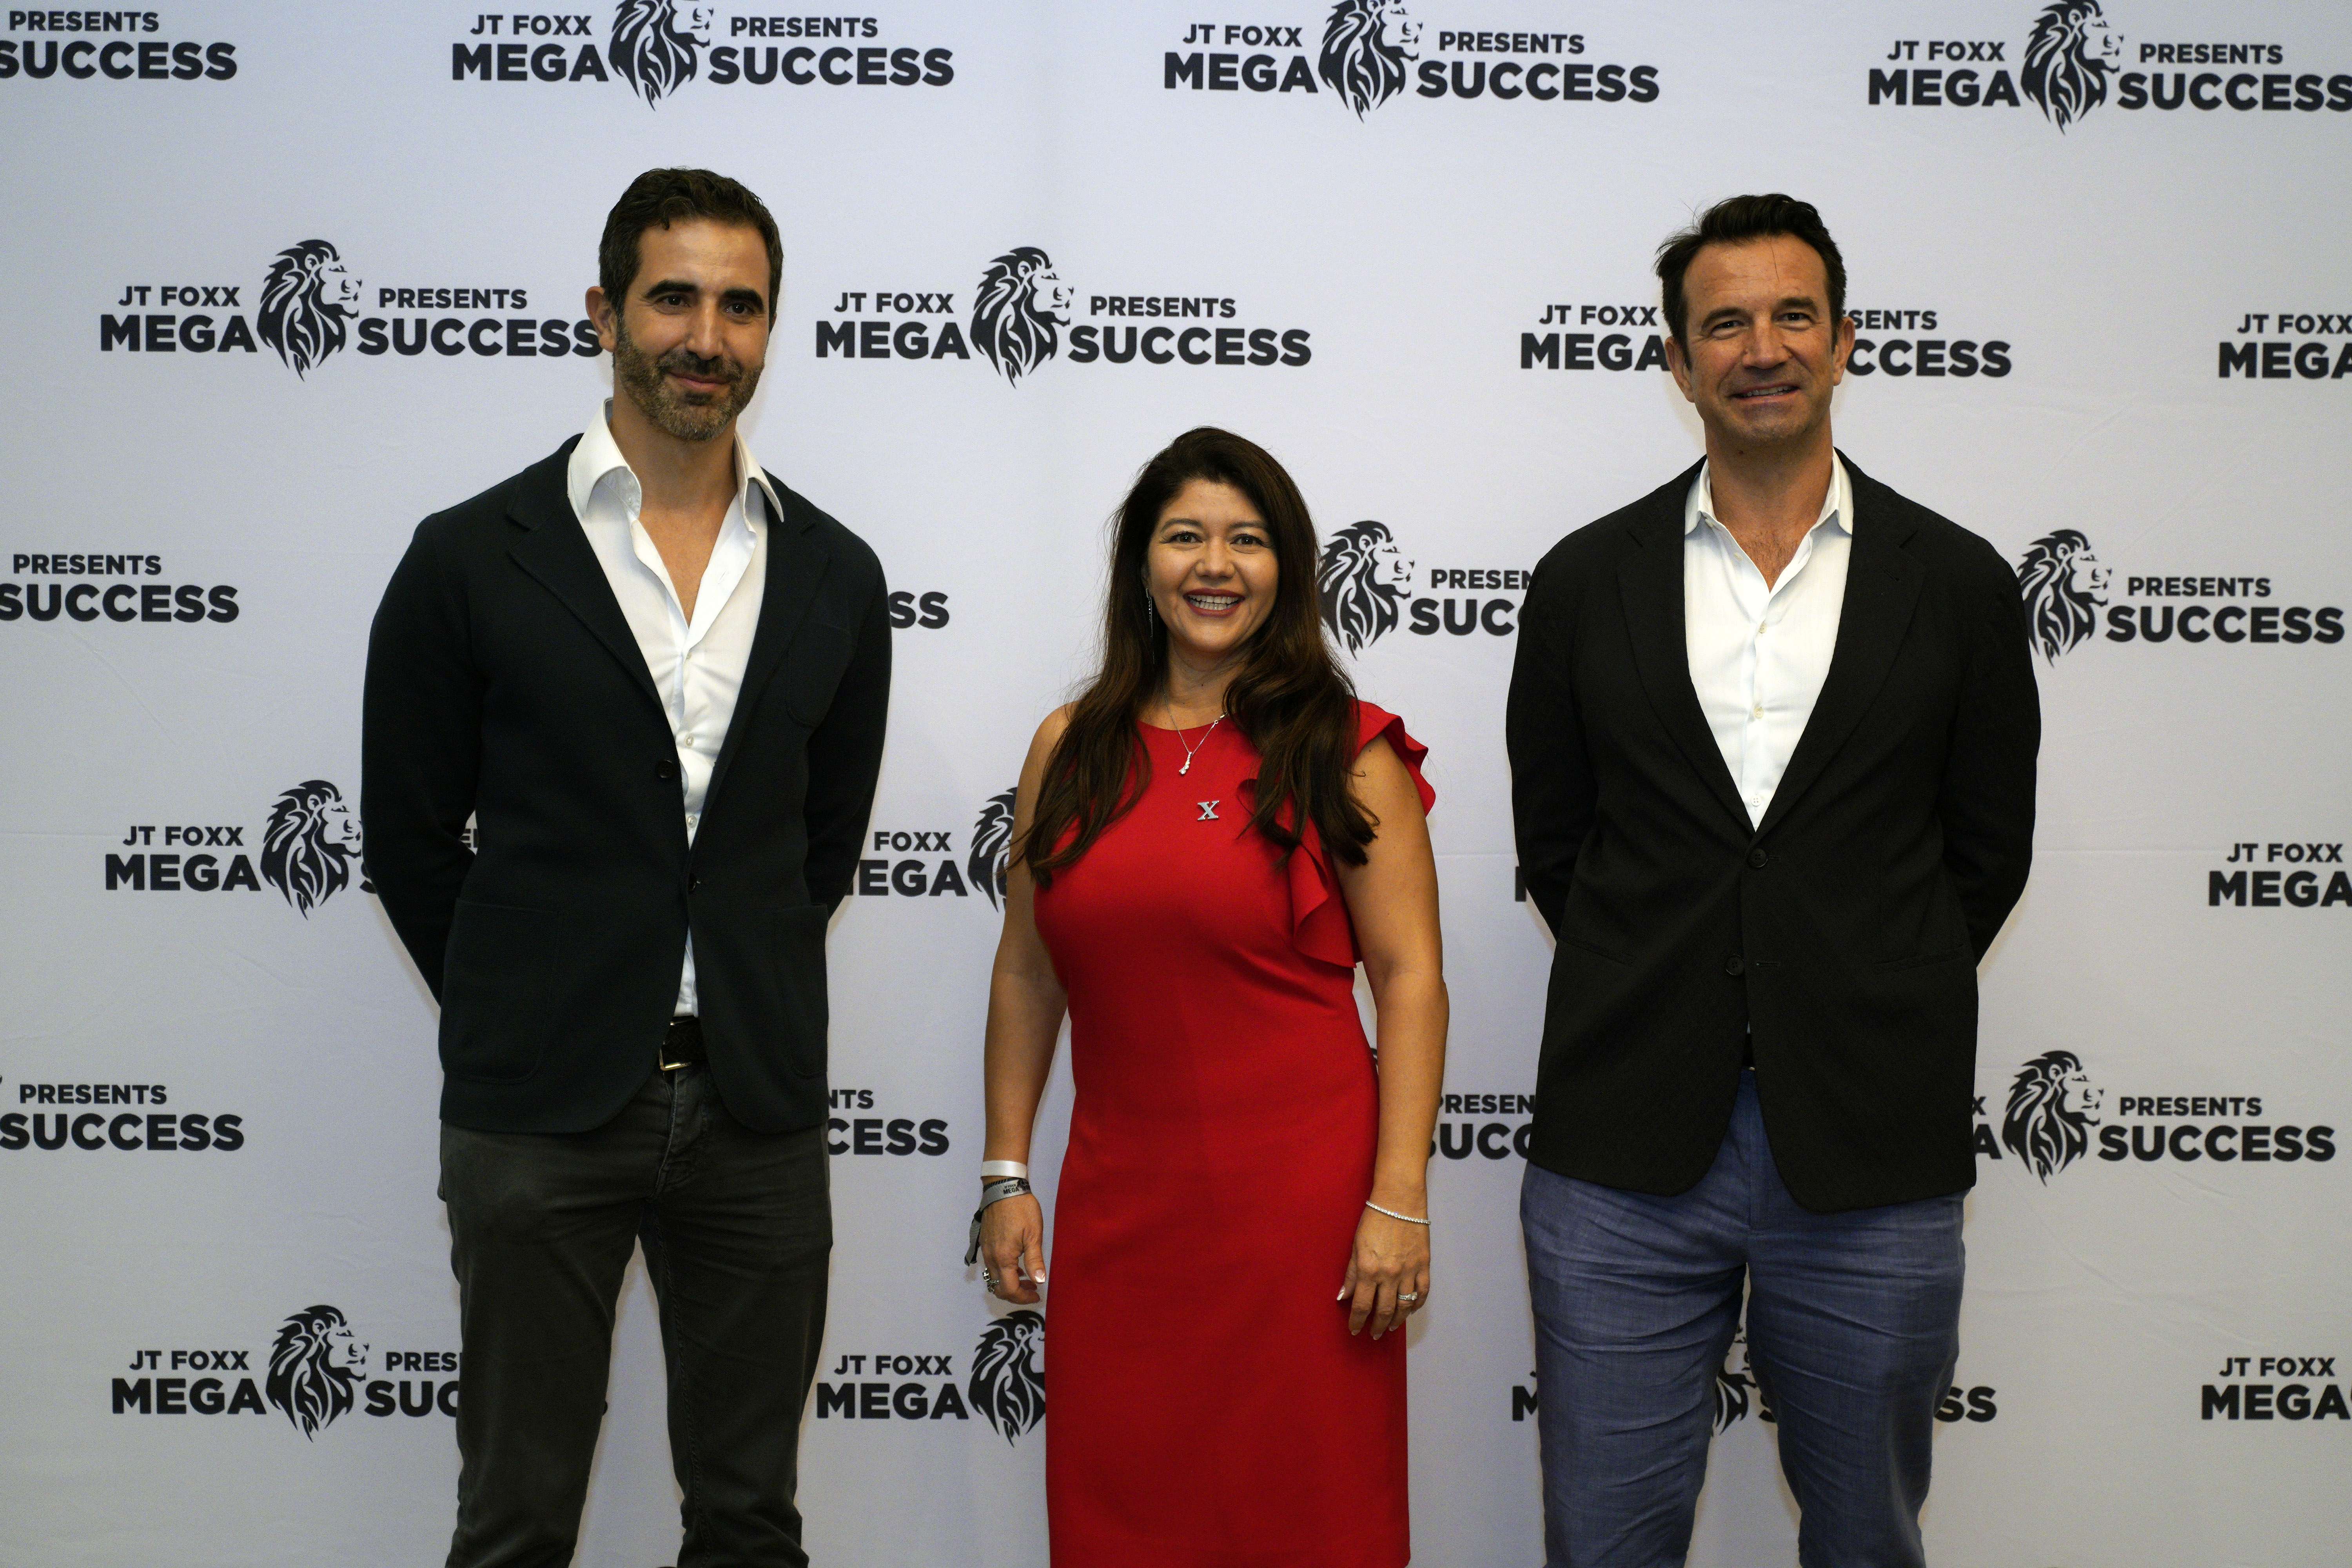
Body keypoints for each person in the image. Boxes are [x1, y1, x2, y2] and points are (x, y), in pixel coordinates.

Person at [361, 167, 890, 1568]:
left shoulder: (837, 574)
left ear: (771, 329)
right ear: (604, 313)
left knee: (751, 1522)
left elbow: (816, 847)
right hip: (539, 1117)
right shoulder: (470, 557)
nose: (706, 338)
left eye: (741, 306)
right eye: (674, 299)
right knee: (517, 1521)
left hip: (756, 1115)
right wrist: (528, 999)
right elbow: (409, 836)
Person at [1505, 194, 2039, 1568]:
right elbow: (1559, 846)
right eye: (1725, 323)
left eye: (1794, 315)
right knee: (1603, 1541)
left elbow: (1985, 854)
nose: (1763, 349)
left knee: (1868, 1539)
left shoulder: (1961, 583)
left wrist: (1857, 975)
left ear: (1844, 341)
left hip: (1872, 1148)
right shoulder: (1582, 582)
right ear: (1678, 362)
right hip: (1624, 1151)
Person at [974, 427, 1446, 1566]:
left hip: (1305, 1225)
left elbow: (1411, 980)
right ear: (1142, 561)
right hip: (1123, 1216)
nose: (1215, 565)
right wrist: (1005, 1172)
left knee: (1309, 1515)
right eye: (1186, 536)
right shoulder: (1067, 747)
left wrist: (1398, 1200)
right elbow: (1027, 969)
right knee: (1125, 1514)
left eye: (1248, 540)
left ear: (1288, 568)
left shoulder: (1346, 748)